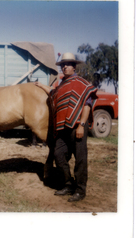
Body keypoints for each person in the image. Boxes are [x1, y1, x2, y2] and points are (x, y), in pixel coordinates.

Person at [35, 52, 98, 202]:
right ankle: (68, 184)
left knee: (80, 159)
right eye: (62, 65)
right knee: (58, 154)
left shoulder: (82, 84)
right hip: (63, 128)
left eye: (67, 64)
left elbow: (87, 105)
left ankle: (80, 190)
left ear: (74, 66)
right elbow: (53, 93)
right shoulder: (61, 85)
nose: (64, 67)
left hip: (77, 126)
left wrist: (82, 125)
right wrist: (41, 85)